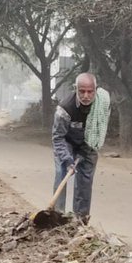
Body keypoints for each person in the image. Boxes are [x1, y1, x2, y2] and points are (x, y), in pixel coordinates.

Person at [51, 73, 110, 225]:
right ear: (75, 89)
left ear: (95, 90)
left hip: (89, 143)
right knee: (61, 172)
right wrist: (67, 159)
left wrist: (85, 151)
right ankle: (57, 216)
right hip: (66, 142)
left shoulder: (101, 104)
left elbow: (99, 131)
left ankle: (80, 220)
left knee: (85, 180)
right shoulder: (65, 108)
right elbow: (58, 137)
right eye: (82, 91)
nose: (86, 96)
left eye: (90, 91)